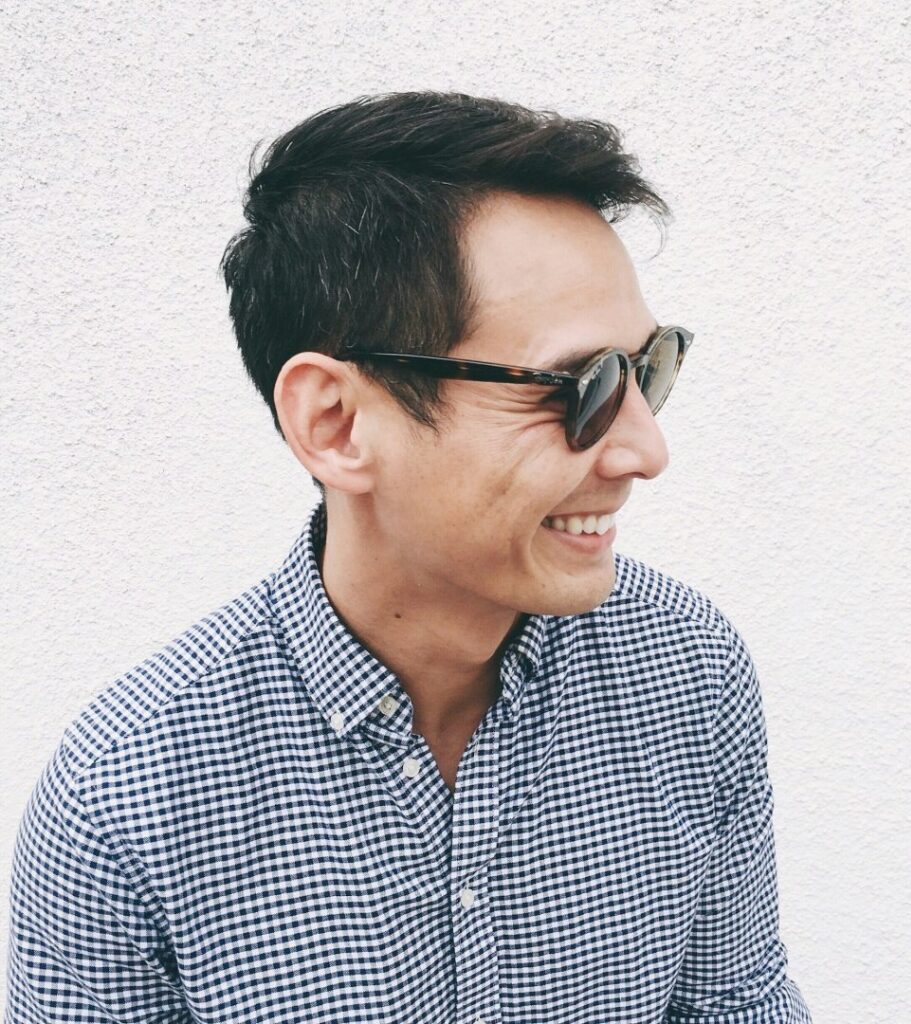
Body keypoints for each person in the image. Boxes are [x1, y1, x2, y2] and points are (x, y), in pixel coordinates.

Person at [5, 91, 812, 1023]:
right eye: (580, 386)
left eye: (648, 369)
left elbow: (737, 1005)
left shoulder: (686, 672)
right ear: (336, 423)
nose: (644, 450)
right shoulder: (126, 800)